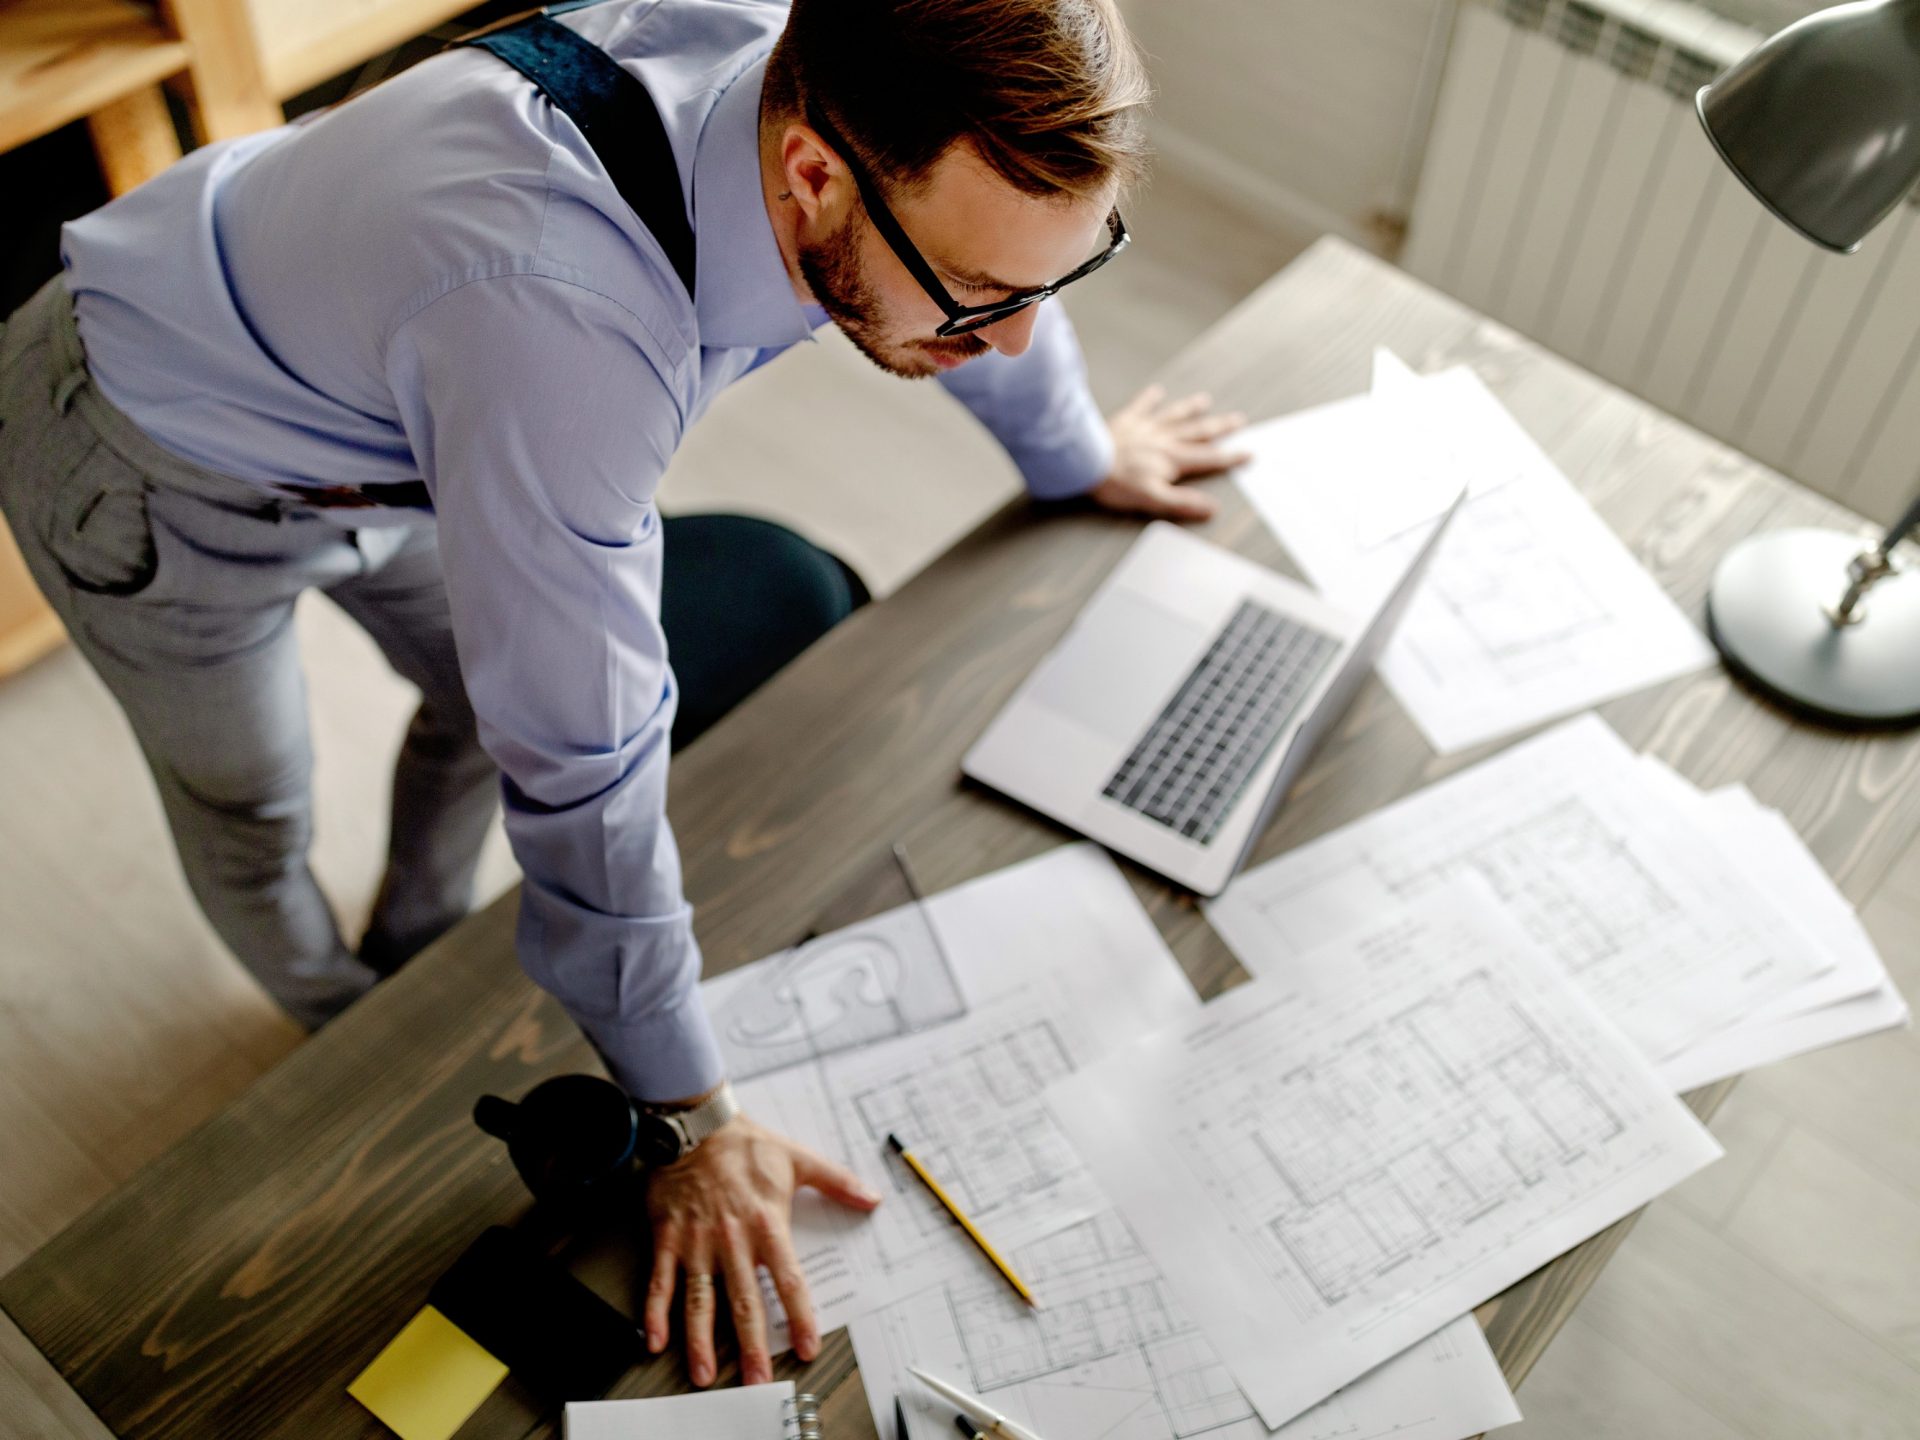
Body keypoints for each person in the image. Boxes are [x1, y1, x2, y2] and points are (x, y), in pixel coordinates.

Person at [0, 0, 1248, 1388]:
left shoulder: (826, 58)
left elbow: (991, 291)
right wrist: (692, 1116)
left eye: (1056, 279)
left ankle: (416, 941)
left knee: (479, 704)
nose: (1013, 341)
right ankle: (335, 1023)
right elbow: (585, 761)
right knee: (253, 801)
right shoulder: (565, 332)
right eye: (974, 296)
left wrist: (1077, 455)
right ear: (814, 175)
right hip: (140, 444)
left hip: (392, 400)